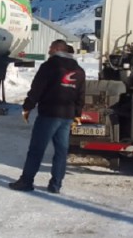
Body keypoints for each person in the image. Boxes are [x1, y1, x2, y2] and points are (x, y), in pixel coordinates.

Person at [9, 39, 85, 194]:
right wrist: (77, 114)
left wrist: (28, 107)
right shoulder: (79, 71)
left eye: (50, 47)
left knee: (37, 149)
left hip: (50, 114)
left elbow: (37, 88)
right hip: (67, 116)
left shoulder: (49, 66)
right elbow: (81, 95)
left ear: (57, 49)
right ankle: (56, 185)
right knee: (61, 151)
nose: (49, 50)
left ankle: (26, 181)